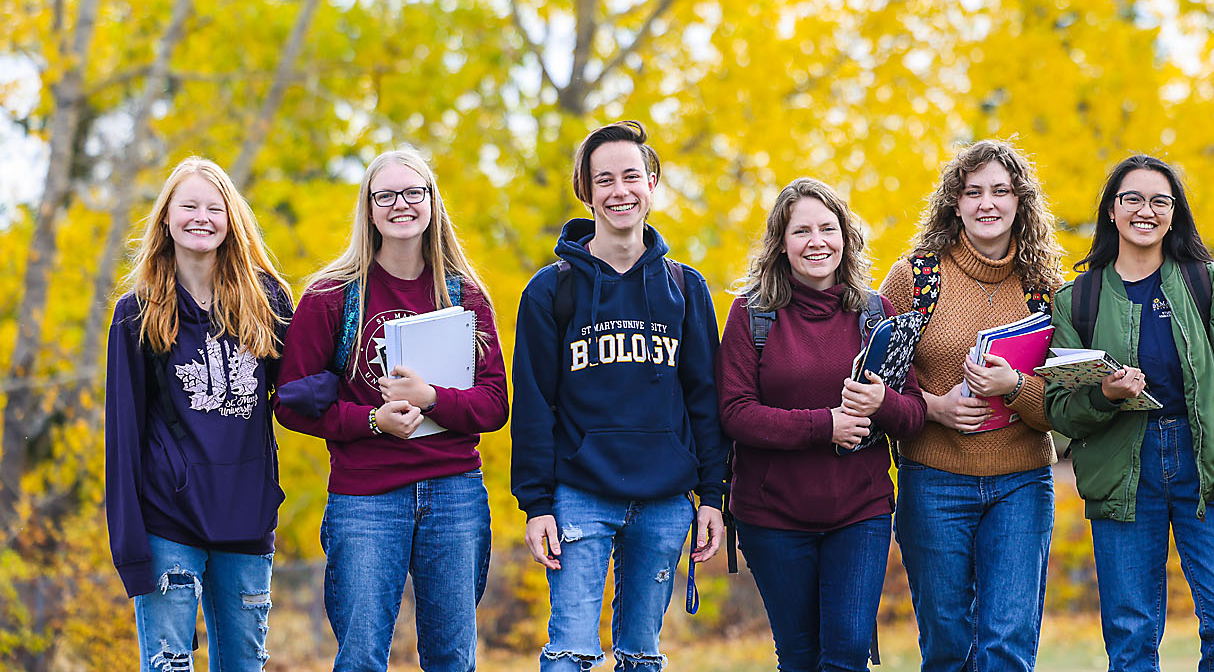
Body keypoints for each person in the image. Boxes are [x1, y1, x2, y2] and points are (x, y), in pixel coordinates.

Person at [274, 149, 508, 672]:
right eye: (386, 196)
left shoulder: (465, 295)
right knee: (360, 658)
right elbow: (290, 405)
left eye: (413, 193)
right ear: (369, 209)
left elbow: (495, 405)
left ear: (432, 202)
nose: (401, 205)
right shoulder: (332, 297)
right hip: (365, 496)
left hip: (454, 493)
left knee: (452, 658)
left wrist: (433, 400)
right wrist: (371, 421)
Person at [510, 120, 728, 672]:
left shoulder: (686, 287)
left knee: (642, 655)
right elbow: (534, 405)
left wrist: (714, 496)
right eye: (603, 180)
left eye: (632, 176)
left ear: (652, 183)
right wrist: (536, 505)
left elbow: (706, 400)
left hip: (666, 500)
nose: (619, 191)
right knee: (569, 653)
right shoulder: (550, 289)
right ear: (586, 191)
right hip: (581, 495)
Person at [1043, 154, 1214, 672]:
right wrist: (1107, 395)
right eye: (1133, 199)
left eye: (1159, 201)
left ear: (1174, 213)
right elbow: (1060, 410)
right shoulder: (1076, 300)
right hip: (1122, 470)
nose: (1146, 211)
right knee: (1131, 636)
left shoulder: (1206, 282)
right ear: (1111, 211)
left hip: (1205, 466)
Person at [718, 178, 926, 672]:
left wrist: (883, 402)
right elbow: (734, 412)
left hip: (860, 510)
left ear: (846, 238)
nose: (817, 241)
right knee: (799, 656)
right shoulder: (752, 315)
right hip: (772, 515)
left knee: (849, 652)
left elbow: (914, 414)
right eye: (802, 231)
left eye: (828, 229)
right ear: (781, 243)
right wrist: (824, 425)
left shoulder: (878, 314)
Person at [877, 139, 1064, 672]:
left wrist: (1014, 386)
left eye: (1001, 191)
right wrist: (934, 407)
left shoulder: (1045, 288)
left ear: (1019, 203)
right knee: (947, 644)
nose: (987, 203)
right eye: (973, 191)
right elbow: (877, 378)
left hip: (1022, 481)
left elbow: (1066, 405)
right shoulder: (916, 277)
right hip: (933, 479)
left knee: (1007, 643)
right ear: (954, 203)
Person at [104, 156, 294, 671]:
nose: (201, 217)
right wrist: (130, 548)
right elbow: (122, 439)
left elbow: (298, 393)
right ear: (165, 218)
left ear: (232, 219)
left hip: (247, 519)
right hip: (169, 524)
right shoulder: (137, 313)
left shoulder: (268, 302)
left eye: (214, 207)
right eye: (188, 205)